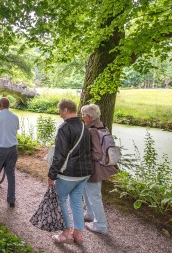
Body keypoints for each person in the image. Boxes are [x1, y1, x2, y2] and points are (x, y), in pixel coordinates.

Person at [48, 99, 93, 245]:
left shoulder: (64, 128)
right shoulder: (84, 125)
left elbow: (60, 155)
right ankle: (78, 234)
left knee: (61, 200)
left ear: (66, 110)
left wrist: (52, 174)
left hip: (69, 173)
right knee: (76, 201)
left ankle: (66, 233)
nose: (59, 113)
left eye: (60, 110)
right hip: (85, 172)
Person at [81, 104, 118, 235]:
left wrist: (80, 154)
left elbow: (97, 153)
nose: (82, 116)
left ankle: (100, 225)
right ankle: (90, 214)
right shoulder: (101, 126)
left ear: (88, 117)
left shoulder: (92, 130)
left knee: (94, 196)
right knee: (87, 191)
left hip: (94, 168)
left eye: (83, 114)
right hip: (97, 167)